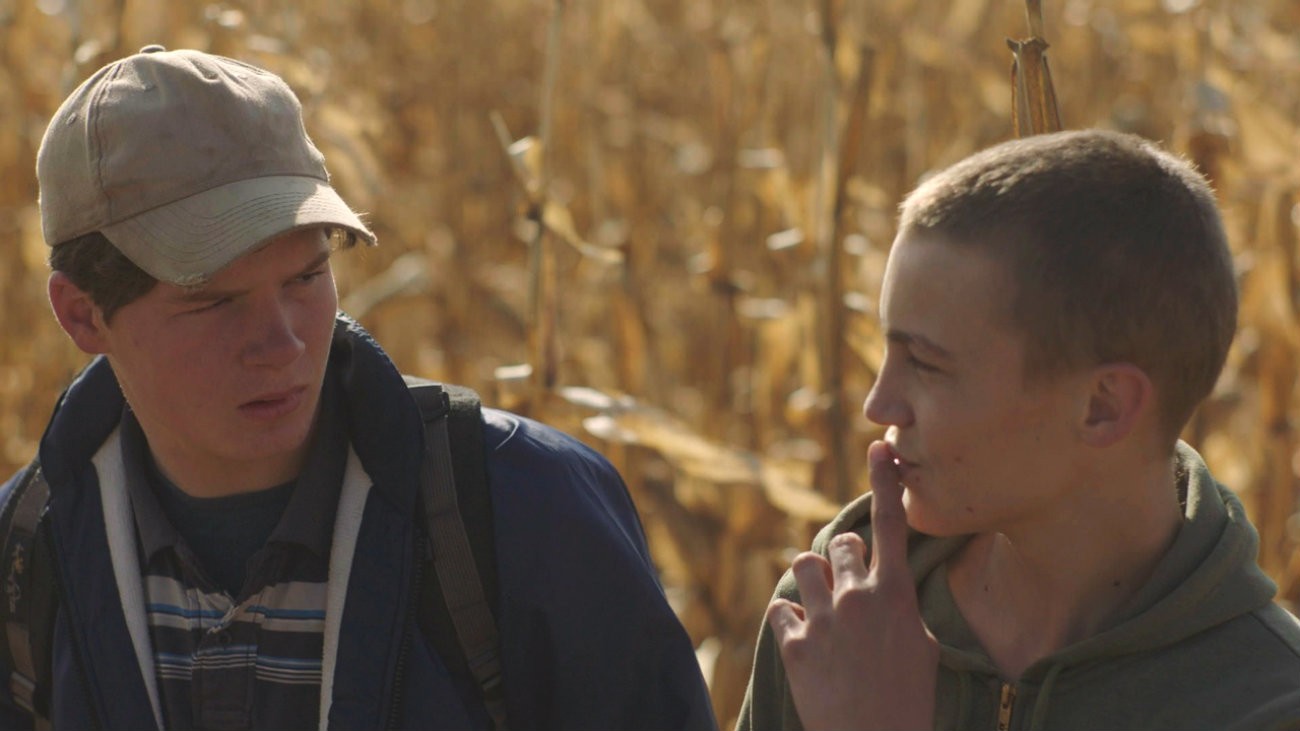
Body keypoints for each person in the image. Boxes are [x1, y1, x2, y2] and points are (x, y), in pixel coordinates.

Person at [0, 45, 716, 731]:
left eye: (306, 277)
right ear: (82, 314)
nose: (283, 342)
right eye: (215, 302)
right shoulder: (23, 559)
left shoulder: (527, 514)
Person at [738, 129, 1300, 731]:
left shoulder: (1265, 704)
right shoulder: (840, 612)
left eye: (925, 363)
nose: (879, 403)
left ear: (1102, 406)